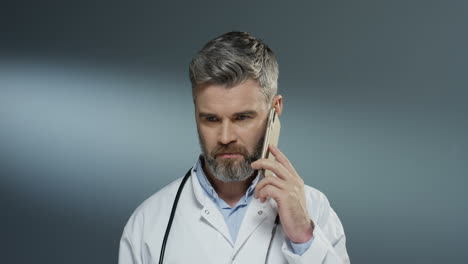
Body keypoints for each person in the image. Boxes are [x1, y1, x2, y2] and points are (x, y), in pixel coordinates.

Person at [118, 31, 350, 264]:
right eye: (211, 119)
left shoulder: (314, 210)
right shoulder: (147, 224)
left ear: (275, 111)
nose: (225, 137)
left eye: (242, 118)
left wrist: (303, 237)